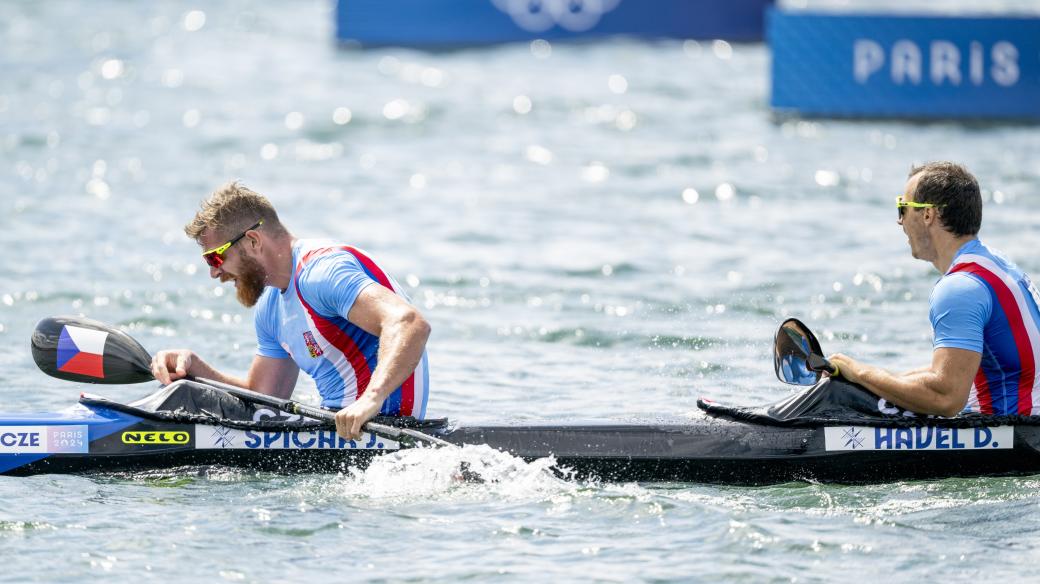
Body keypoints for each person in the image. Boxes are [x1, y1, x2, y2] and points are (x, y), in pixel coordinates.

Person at [150, 182, 431, 439]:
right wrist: (197, 371)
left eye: (216, 256)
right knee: (184, 395)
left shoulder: (321, 273)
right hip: (337, 428)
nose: (213, 272)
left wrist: (371, 399)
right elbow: (264, 397)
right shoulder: (270, 308)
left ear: (253, 241)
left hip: (386, 430)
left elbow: (409, 322)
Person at [828, 162, 1040, 417]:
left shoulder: (960, 288)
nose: (899, 221)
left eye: (902, 208)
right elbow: (961, 369)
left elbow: (946, 399)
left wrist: (861, 373)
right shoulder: (997, 265)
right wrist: (867, 378)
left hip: (1016, 439)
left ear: (927, 215)